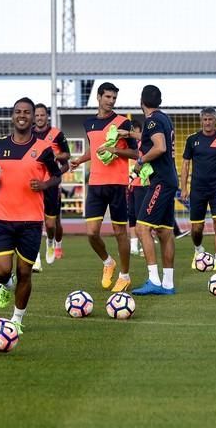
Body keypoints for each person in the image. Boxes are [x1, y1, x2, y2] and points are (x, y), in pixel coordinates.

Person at [0, 97, 62, 333]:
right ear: (12, 116)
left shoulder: (44, 149)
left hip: (31, 220)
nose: (22, 115)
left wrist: (45, 184)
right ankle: (5, 285)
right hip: (3, 219)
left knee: (25, 272)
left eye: (27, 112)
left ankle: (17, 320)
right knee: (1, 270)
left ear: (33, 117)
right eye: (18, 111)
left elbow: (57, 176)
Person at [69, 82, 138, 292]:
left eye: (114, 98)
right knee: (91, 233)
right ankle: (108, 262)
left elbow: (135, 154)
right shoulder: (88, 123)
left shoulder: (123, 123)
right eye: (107, 97)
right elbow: (94, 148)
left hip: (117, 184)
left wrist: (115, 149)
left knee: (120, 233)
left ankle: (125, 276)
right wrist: (79, 160)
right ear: (98, 97)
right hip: (96, 183)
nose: (111, 101)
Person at [130, 85, 179, 296]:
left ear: (141, 101)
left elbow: (160, 147)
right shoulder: (164, 118)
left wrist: (140, 160)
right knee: (165, 231)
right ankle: (168, 284)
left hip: (160, 180)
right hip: (169, 178)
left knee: (142, 228)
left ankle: (153, 280)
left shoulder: (151, 120)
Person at [180, 107, 216, 271]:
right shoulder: (192, 140)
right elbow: (185, 164)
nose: (208, 122)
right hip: (197, 189)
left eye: (210, 119)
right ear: (201, 121)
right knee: (197, 228)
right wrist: (183, 188)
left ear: (215, 120)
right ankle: (198, 251)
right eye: (205, 119)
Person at [31, 103, 71, 269]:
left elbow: (66, 157)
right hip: (33, 184)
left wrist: (55, 155)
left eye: (42, 115)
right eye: (37, 115)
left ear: (46, 116)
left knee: (51, 224)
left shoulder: (56, 134)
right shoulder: (28, 134)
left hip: (50, 185)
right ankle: (35, 258)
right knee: (32, 222)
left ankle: (51, 242)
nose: (39, 118)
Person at [127, 119, 148, 257]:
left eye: (135, 130)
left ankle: (143, 246)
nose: (133, 133)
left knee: (142, 216)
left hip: (142, 183)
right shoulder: (128, 145)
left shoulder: (143, 144)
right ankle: (133, 245)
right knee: (132, 216)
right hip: (130, 184)